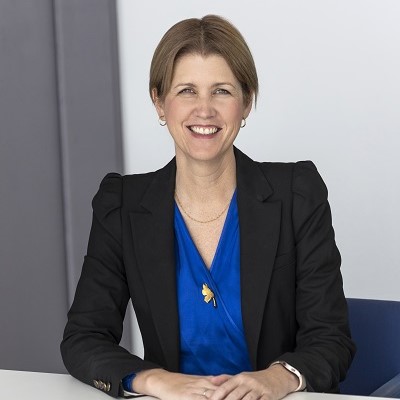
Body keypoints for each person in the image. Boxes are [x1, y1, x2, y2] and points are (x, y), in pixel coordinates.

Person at [61, 15, 355, 400]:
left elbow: (331, 338)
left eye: (221, 91)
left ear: (246, 103)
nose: (204, 110)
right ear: (159, 102)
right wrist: (152, 379)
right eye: (186, 91)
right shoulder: (122, 204)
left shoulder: (297, 194)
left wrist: (278, 378)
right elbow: (84, 337)